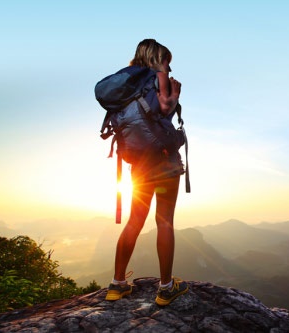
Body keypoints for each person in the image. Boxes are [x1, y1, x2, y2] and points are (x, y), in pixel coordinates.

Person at [105, 39, 188, 306]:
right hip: (164, 162)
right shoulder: (158, 75)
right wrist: (174, 96)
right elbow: (164, 107)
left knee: (135, 220)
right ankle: (165, 288)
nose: (169, 66)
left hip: (139, 164)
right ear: (157, 57)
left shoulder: (125, 85)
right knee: (164, 221)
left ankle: (117, 284)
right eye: (167, 60)